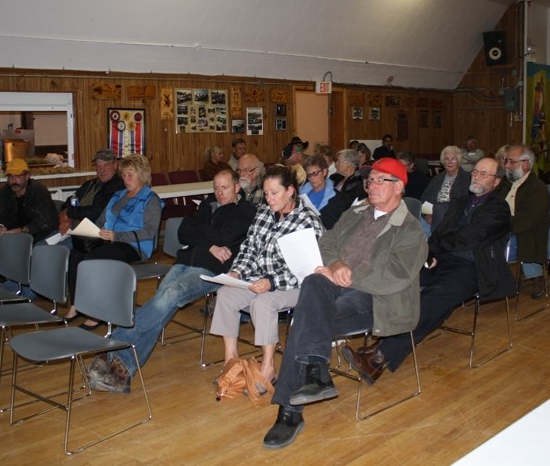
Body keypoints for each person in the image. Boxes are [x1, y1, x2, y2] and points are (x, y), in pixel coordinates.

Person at [262, 158, 426, 449]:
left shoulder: (410, 229)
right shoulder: (356, 212)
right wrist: (336, 263)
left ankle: (290, 410)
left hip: (377, 300)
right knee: (313, 284)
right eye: (369, 180)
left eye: (379, 180)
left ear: (399, 187)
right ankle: (315, 373)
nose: (371, 185)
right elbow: (326, 243)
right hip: (335, 286)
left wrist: (347, 275)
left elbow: (395, 276)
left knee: (304, 322)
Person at [340, 158, 513, 385]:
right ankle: (376, 346)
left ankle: (378, 359)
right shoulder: (460, 202)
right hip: (441, 260)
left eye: (484, 174)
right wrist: (429, 252)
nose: (476, 177)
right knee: (400, 281)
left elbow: (470, 237)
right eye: (475, 172)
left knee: (430, 301)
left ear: (497, 181)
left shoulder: (498, 208)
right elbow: (439, 233)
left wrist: (438, 246)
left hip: (471, 268)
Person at [86, 168, 257, 394]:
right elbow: (184, 231)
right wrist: (210, 244)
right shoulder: (207, 203)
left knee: (167, 297)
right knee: (162, 304)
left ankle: (115, 344)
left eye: (224, 188)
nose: (219, 193)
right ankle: (123, 371)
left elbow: (224, 237)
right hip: (186, 260)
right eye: (215, 188)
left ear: (237, 187)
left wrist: (202, 234)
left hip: (212, 270)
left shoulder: (246, 210)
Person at [209, 165, 324, 384]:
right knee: (226, 294)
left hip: (298, 284)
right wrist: (237, 271)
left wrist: (271, 282)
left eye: (274, 193)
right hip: (262, 279)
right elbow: (249, 249)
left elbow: (306, 269)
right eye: (266, 193)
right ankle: (230, 361)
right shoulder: (263, 213)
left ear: (290, 191)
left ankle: (268, 367)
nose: (268, 199)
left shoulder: (307, 221)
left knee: (263, 303)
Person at [64, 154, 161, 328]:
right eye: (124, 175)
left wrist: (117, 236)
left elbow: (149, 232)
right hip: (110, 241)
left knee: (93, 259)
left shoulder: (150, 199)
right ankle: (77, 303)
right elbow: (102, 219)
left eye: (130, 175)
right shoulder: (119, 195)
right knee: (76, 254)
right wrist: (91, 231)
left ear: (142, 175)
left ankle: (97, 312)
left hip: (134, 246)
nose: (125, 179)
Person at [0, 158, 57, 282]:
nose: (13, 181)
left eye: (17, 177)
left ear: (27, 176)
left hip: (40, 230)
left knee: (23, 241)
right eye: (10, 177)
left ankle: (22, 282)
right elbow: (0, 214)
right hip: (16, 228)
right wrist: (0, 226)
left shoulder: (39, 191)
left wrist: (22, 230)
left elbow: (44, 221)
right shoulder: (4, 191)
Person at [499, 144, 550, 297]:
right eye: (506, 161)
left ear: (526, 163)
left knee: (489, 246)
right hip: (504, 228)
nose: (506, 165)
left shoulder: (537, 188)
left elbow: (529, 219)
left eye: (511, 162)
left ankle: (533, 278)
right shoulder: (506, 184)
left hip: (524, 232)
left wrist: (501, 225)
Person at [54, 149, 124, 248]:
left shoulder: (117, 186)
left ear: (115, 165)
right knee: (42, 246)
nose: (102, 170)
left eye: (106, 165)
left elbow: (96, 212)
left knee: (49, 250)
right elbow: (72, 199)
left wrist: (69, 212)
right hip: (72, 231)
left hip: (92, 237)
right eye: (98, 166)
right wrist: (68, 218)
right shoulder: (90, 184)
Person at [420, 145, 471, 236]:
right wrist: (427, 215)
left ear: (458, 161)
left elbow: (466, 204)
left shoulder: (467, 179)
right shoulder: (437, 179)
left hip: (453, 218)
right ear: (443, 162)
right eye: (447, 159)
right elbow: (425, 198)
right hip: (433, 215)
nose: (450, 162)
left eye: (453, 159)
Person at [319, 149, 367, 230]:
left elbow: (348, 205)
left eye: (338, 161)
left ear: (348, 163)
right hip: (327, 213)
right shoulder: (335, 178)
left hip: (339, 220)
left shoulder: (358, 182)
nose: (335, 164)